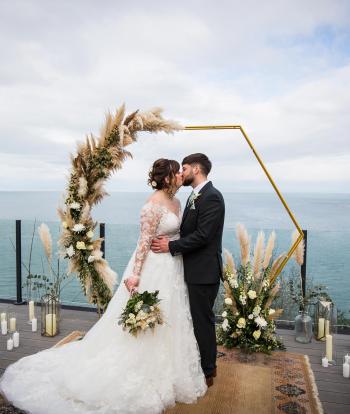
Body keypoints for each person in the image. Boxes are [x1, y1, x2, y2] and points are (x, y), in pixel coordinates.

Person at [0, 158, 207, 414]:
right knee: (148, 318)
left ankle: (172, 372)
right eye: (177, 173)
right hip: (154, 266)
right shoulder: (151, 205)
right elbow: (144, 242)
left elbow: (180, 234)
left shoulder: (177, 202)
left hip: (174, 267)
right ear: (167, 178)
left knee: (173, 317)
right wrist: (134, 275)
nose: (180, 177)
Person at [151, 153, 225, 387]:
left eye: (184, 169)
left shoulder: (211, 197)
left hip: (204, 272)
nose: (181, 173)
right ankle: (198, 365)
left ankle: (208, 371)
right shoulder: (195, 196)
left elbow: (203, 236)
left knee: (202, 322)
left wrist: (170, 246)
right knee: (194, 320)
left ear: (196, 169)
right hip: (192, 269)